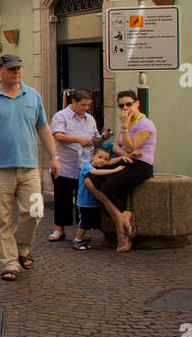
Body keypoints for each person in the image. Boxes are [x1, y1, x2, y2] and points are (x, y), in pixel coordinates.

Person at [0, 53, 62, 281]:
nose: (16, 72)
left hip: (29, 166)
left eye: (18, 68)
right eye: (11, 69)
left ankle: (20, 247)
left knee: (35, 211)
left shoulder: (33, 96)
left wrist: (54, 157)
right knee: (2, 219)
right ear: (0, 70)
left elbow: (43, 127)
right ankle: (9, 263)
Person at [84, 91, 157, 252]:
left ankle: (120, 231)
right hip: (126, 161)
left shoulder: (145, 124)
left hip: (141, 165)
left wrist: (124, 127)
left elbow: (131, 146)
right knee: (90, 179)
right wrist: (127, 154)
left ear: (137, 103)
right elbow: (117, 147)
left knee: (109, 187)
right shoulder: (123, 123)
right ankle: (122, 216)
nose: (125, 108)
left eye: (128, 104)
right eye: (121, 105)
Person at [48, 88, 103, 242]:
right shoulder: (61, 116)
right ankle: (59, 229)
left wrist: (101, 139)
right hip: (64, 164)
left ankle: (82, 230)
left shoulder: (90, 119)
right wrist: (79, 140)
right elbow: (58, 136)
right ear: (73, 102)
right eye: (83, 104)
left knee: (82, 199)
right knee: (62, 198)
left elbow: (95, 138)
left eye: (88, 105)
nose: (85, 108)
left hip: (84, 165)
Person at [73, 147, 126, 251]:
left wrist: (121, 158)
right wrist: (115, 170)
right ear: (93, 156)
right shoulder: (86, 167)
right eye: (100, 157)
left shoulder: (101, 167)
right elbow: (97, 173)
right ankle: (77, 240)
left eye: (105, 159)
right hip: (84, 202)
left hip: (93, 203)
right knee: (83, 223)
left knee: (89, 222)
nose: (103, 160)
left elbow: (110, 162)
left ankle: (82, 238)